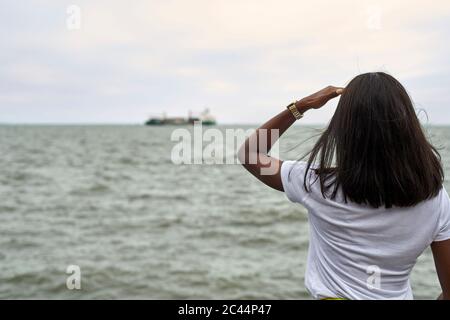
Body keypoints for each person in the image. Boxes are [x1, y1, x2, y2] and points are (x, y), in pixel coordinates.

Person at [238, 72, 450, 300]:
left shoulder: (318, 184)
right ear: (408, 128)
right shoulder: (434, 197)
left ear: (344, 129)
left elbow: (250, 154)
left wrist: (301, 106)